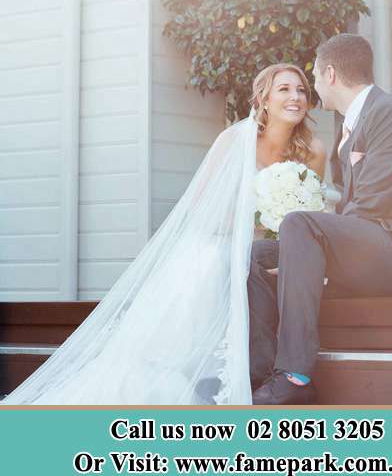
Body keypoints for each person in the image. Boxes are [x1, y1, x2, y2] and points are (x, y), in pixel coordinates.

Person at [1, 64, 324, 406]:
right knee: (213, 263)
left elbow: (310, 215)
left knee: (256, 263)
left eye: (301, 90)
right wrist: (258, 219)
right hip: (221, 239)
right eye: (285, 89)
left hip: (271, 248)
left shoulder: (312, 150)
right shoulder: (234, 140)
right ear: (264, 98)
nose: (295, 97)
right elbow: (202, 210)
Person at [250, 34, 392, 405]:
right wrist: (301, 257)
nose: (313, 88)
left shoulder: (389, 113)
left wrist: (311, 256)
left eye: (314, 78)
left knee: (300, 226)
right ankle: (260, 373)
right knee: (256, 255)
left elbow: (367, 205)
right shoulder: (357, 122)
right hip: (383, 247)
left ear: (330, 74)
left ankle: (295, 376)